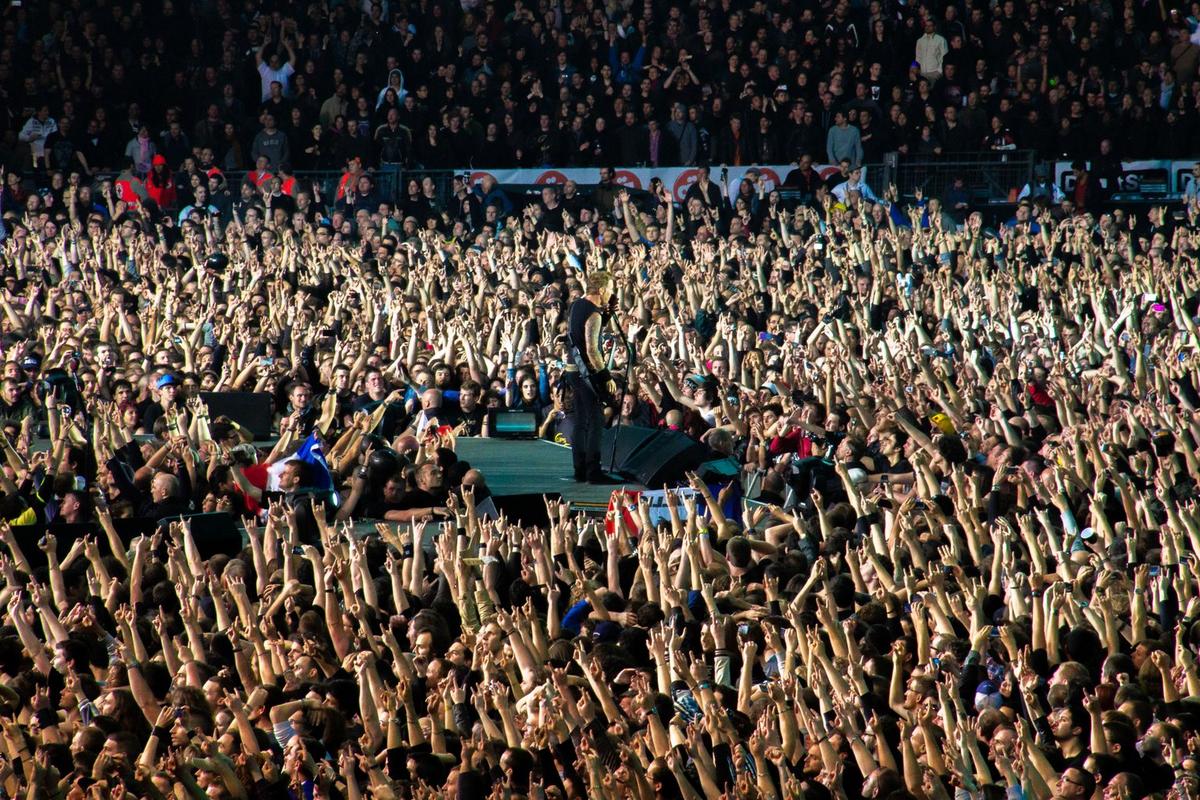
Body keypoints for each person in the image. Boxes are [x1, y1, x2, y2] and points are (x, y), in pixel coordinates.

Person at [566, 271, 616, 483]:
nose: (611, 293)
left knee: (581, 421)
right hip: (586, 373)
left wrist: (606, 317)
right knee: (595, 420)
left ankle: (580, 469)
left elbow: (580, 333)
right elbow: (592, 350)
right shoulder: (593, 314)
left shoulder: (576, 305)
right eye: (610, 289)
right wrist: (606, 376)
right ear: (602, 290)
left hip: (572, 370)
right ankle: (593, 471)